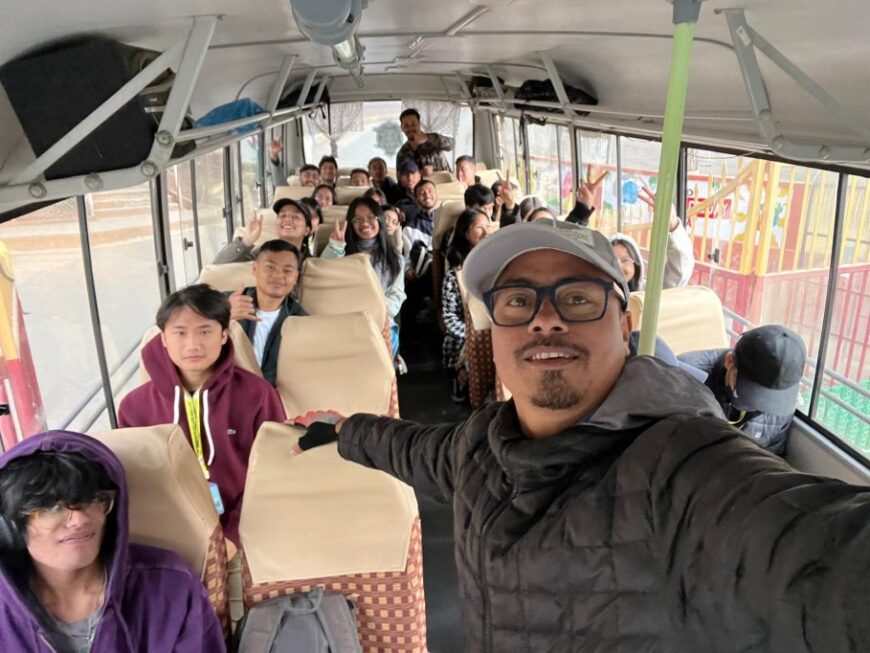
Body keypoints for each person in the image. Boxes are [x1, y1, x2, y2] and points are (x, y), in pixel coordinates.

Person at [292, 218, 870, 651]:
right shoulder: (482, 441)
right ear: (495, 333)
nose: (546, 318)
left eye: (577, 298)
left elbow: (816, 556)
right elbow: (422, 452)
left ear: (624, 325)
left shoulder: (685, 466)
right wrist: (348, 431)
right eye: (518, 302)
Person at [0, 431, 226, 652]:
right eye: (52, 507)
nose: (79, 519)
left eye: (95, 500)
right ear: (10, 524)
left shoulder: (169, 587)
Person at [118, 285, 286, 545]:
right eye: (180, 333)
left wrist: (233, 536)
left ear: (223, 335)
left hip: (248, 531)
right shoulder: (134, 408)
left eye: (205, 331)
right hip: (168, 539)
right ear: (163, 338)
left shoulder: (257, 395)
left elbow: (275, 470)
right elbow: (137, 485)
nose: (192, 344)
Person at [678, 325, 807, 455]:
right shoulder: (683, 378)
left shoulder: (782, 405)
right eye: (752, 392)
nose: (758, 406)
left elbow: (771, 457)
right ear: (729, 362)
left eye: (771, 399)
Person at [321, 197, 406, 356]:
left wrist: (371, 313)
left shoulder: (395, 259)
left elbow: (396, 296)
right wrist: (335, 247)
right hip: (341, 320)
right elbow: (323, 278)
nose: (365, 223)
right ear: (351, 224)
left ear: (379, 220)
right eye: (358, 219)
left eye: (370, 218)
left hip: (380, 322)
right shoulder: (339, 250)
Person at [226, 240, 308, 386]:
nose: (278, 275)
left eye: (287, 271)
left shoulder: (301, 321)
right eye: (270, 267)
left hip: (273, 397)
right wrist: (223, 315)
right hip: (227, 389)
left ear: (296, 278)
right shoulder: (227, 302)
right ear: (255, 269)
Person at [441, 209, 491, 401]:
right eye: (479, 228)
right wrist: (472, 335)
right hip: (463, 336)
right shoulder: (455, 275)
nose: (486, 233)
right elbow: (449, 318)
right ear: (465, 232)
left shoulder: (498, 266)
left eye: (488, 226)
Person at [213, 198, 312, 264]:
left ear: (307, 230)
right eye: (282, 215)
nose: (288, 219)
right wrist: (245, 242)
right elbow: (218, 267)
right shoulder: (263, 252)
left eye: (295, 216)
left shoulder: (311, 264)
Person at [395, 108, 454, 175]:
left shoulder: (434, 139)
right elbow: (400, 178)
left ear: (419, 124)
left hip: (445, 184)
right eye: (406, 125)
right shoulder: (402, 154)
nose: (410, 128)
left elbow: (452, 144)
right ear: (402, 128)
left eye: (414, 124)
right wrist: (420, 173)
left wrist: (428, 139)